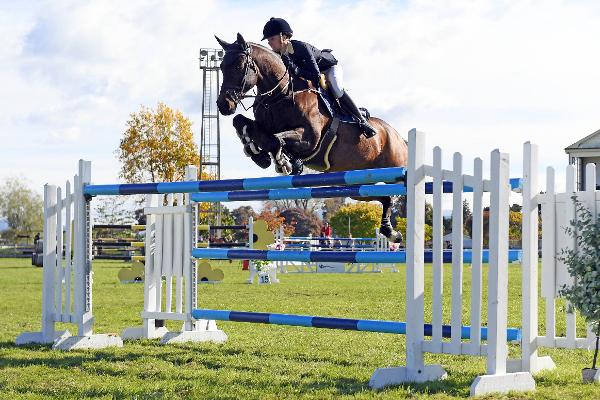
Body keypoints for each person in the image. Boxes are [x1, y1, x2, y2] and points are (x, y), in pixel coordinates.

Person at [262, 17, 377, 138]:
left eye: (272, 39)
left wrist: (296, 69)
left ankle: (362, 121)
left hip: (328, 68)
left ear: (284, 37)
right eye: (268, 40)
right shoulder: (278, 56)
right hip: (309, 74)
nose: (269, 42)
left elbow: (316, 77)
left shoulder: (301, 48)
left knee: (336, 89)